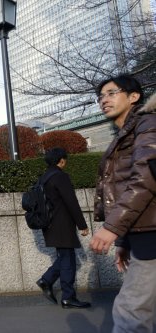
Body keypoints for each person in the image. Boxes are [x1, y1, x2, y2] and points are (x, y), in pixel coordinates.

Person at [90, 74, 156, 332]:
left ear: (134, 96)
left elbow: (147, 176)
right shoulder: (127, 132)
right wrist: (124, 242)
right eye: (101, 96)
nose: (104, 100)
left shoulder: (147, 122)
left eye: (111, 93)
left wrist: (112, 228)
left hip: (152, 236)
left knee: (131, 313)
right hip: (143, 235)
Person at [35, 147, 91, 309]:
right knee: (68, 260)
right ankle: (67, 297)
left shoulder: (43, 178)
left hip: (50, 224)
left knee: (66, 258)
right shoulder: (60, 176)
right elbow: (71, 202)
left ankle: (46, 280)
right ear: (61, 160)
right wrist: (83, 225)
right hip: (62, 224)